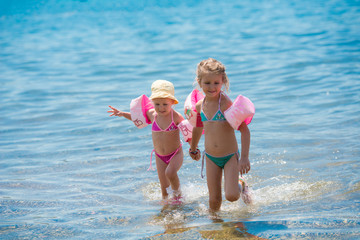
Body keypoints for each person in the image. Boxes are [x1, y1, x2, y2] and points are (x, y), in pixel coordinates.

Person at [189, 58, 253, 212]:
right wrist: (193, 148)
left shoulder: (225, 104)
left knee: (231, 196)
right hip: (211, 157)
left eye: (216, 83)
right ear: (199, 82)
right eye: (207, 83)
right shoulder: (200, 106)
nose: (212, 87)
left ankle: (241, 184)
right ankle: (215, 228)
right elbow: (198, 128)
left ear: (223, 81)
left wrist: (244, 157)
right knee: (214, 200)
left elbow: (244, 130)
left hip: (230, 156)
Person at [108, 80, 184, 203]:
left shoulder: (176, 117)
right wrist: (122, 114)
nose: (161, 107)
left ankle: (178, 197)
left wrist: (193, 148)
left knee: (170, 173)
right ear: (152, 103)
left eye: (165, 104)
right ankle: (165, 207)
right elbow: (136, 118)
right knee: (164, 189)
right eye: (157, 104)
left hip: (176, 154)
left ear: (172, 103)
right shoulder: (152, 114)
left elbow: (188, 131)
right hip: (160, 156)